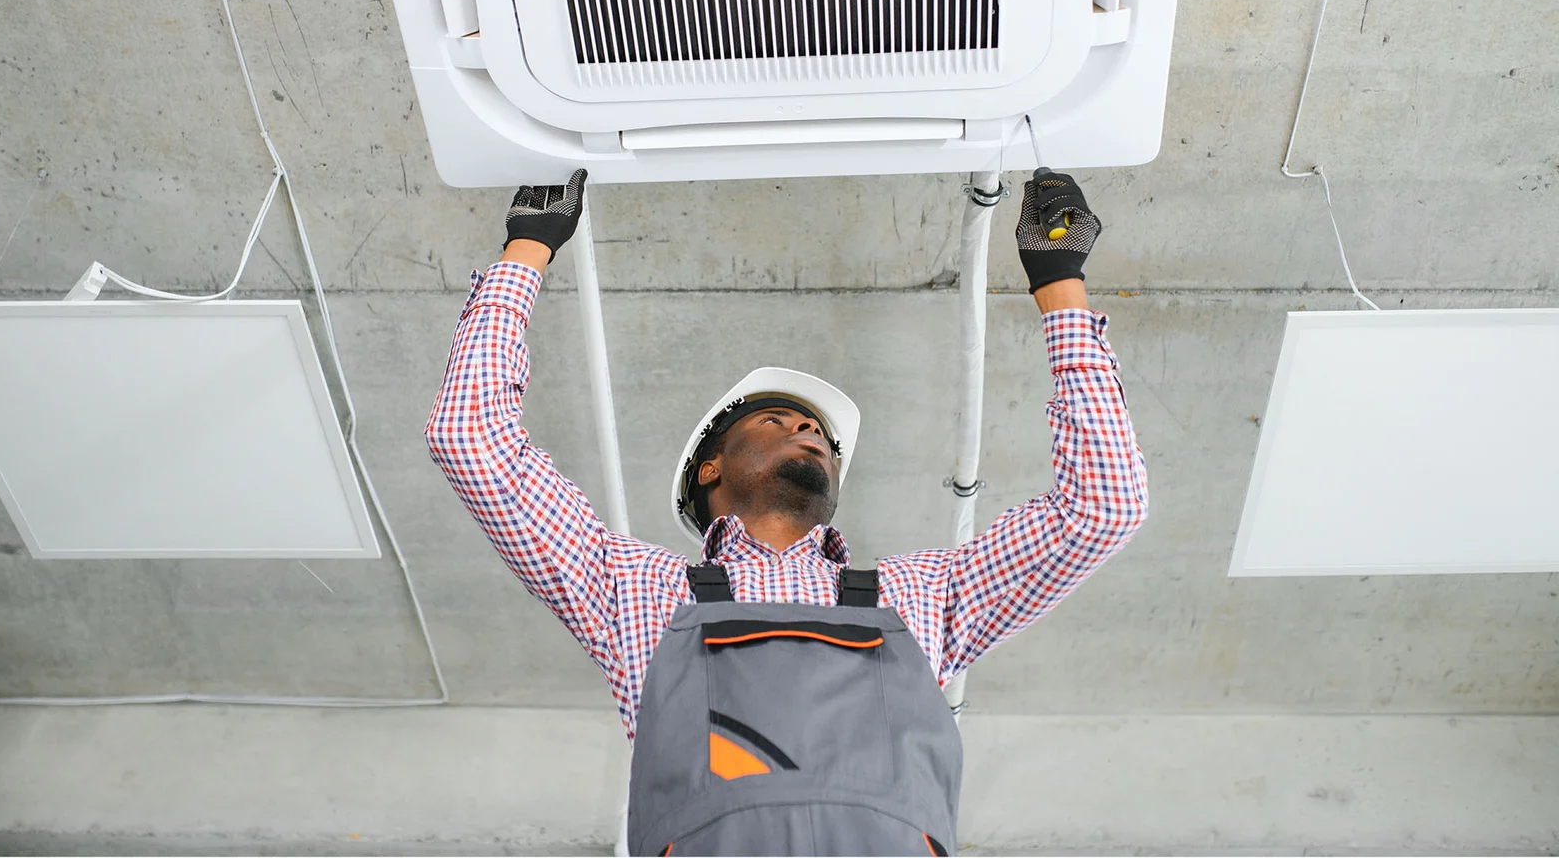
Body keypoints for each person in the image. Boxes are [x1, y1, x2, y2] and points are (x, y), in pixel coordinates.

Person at [425, 168, 1146, 856]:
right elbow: (469, 438)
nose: (810, 433)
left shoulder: (926, 595)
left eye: (822, 437)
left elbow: (1105, 506)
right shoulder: (630, 589)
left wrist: (1059, 283)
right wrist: (528, 244)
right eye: (778, 420)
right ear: (710, 466)